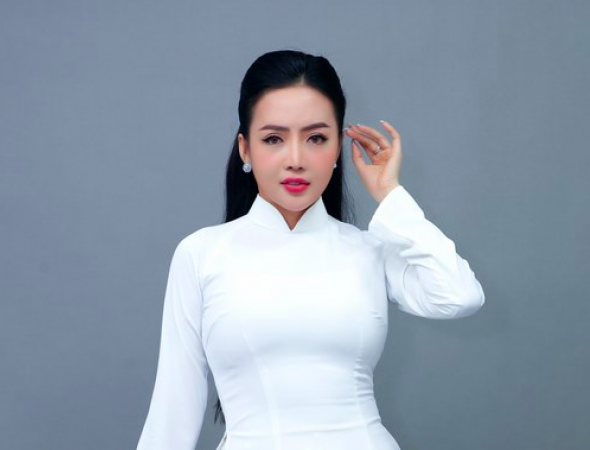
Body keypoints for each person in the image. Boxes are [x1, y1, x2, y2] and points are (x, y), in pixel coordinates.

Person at [136, 50, 485, 450]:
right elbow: (173, 411)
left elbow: (459, 296)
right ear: (245, 149)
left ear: (338, 148)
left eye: (316, 138)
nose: (296, 160)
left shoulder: (368, 250)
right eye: (274, 139)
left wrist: (391, 195)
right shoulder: (202, 254)